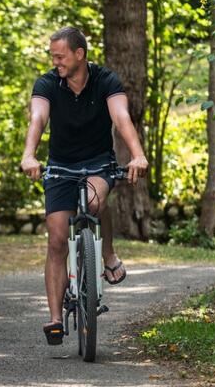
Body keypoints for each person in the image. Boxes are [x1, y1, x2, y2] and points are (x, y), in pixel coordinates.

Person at [19, 26, 148, 345]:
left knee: (93, 203)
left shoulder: (106, 80)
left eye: (60, 56)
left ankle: (106, 255)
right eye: (53, 56)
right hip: (61, 166)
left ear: (80, 54)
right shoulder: (48, 83)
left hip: (98, 163)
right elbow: (37, 119)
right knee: (57, 240)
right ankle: (54, 319)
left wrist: (137, 155)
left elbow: (121, 118)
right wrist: (29, 155)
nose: (55, 62)